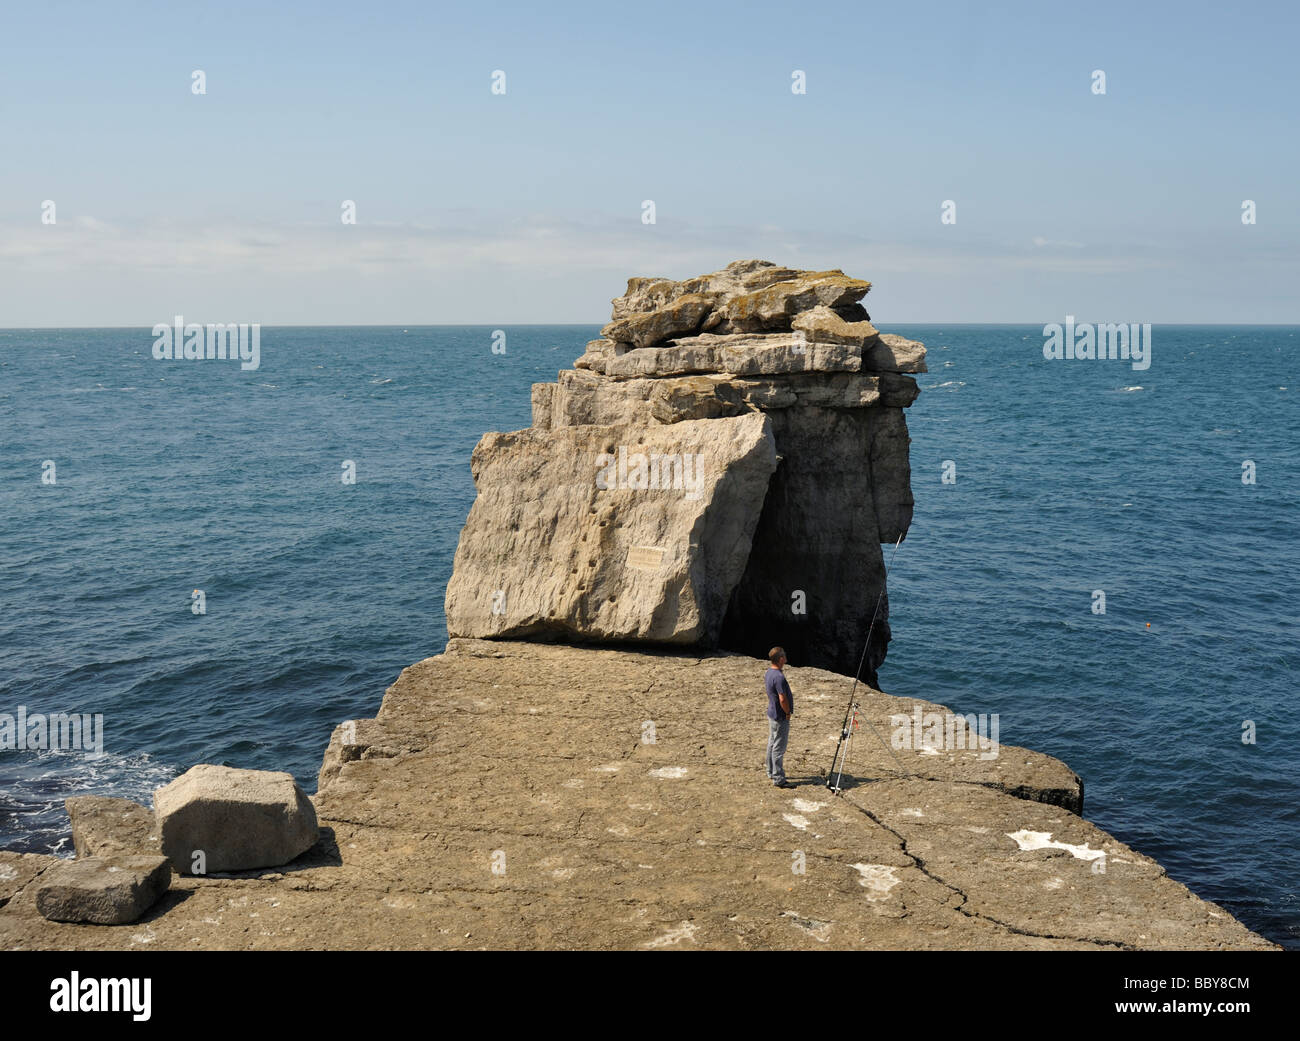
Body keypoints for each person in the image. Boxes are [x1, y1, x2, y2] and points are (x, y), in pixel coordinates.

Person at [765, 646, 794, 788]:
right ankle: (778, 778)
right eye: (784, 655)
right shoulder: (779, 677)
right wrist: (787, 713)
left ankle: (770, 771)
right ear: (781, 659)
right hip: (780, 716)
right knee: (779, 747)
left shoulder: (769, 672)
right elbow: (782, 699)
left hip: (772, 713)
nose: (786, 657)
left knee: (772, 742)